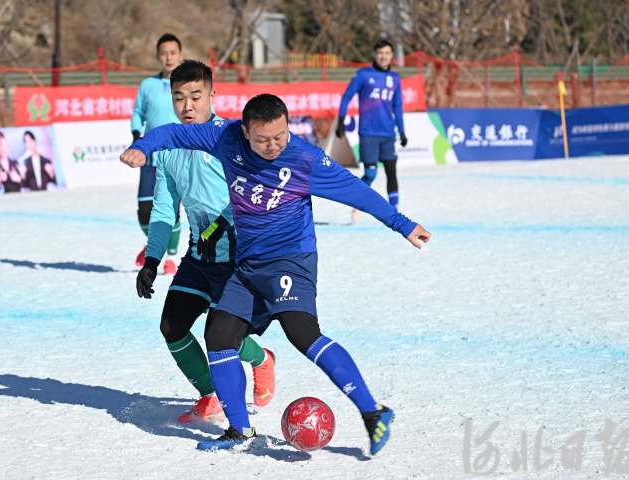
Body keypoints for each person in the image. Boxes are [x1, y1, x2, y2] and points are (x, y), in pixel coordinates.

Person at [120, 94, 430, 456]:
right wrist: (142, 147)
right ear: (246, 131)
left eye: (280, 136)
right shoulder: (225, 137)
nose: (274, 146)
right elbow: (173, 133)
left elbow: (357, 192)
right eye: (264, 139)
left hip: (290, 261)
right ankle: (239, 430)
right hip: (249, 264)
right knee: (219, 333)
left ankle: (373, 412)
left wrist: (402, 224)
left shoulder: (304, 158)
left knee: (302, 333)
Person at [135, 60, 276, 423]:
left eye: (196, 96)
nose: (187, 106)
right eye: (179, 97)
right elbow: (166, 209)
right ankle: (209, 394)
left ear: (212, 95)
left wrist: (221, 226)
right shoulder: (166, 148)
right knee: (172, 326)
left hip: (236, 257)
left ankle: (262, 358)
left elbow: (250, 193)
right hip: (198, 257)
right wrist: (152, 260)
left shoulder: (230, 139)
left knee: (222, 338)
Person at [336, 39, 407, 223]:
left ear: (392, 56)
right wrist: (341, 120)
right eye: (380, 53)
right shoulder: (363, 75)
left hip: (388, 134)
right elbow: (346, 97)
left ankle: (395, 212)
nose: (384, 57)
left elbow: (398, 106)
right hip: (368, 133)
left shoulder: (395, 79)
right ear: (375, 54)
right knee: (371, 174)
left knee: (392, 170)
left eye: (387, 53)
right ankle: (356, 204)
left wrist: (402, 131)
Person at [131, 33, 183, 273]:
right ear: (158, 56)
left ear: (180, 55)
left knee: (171, 209)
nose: (168, 57)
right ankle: (154, 242)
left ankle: (170, 258)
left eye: (173, 52)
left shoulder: (188, 85)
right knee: (144, 210)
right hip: (150, 155)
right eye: (164, 53)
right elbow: (138, 113)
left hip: (178, 155)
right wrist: (136, 135)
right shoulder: (147, 85)